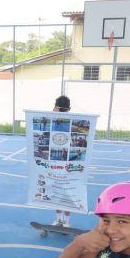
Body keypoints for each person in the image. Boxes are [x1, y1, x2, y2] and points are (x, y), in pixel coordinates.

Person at [52, 95, 72, 227]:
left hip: (59, 161)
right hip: (63, 160)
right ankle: (64, 221)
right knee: (67, 190)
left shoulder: (53, 119)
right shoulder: (72, 119)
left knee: (57, 189)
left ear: (56, 107)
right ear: (69, 108)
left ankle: (60, 219)